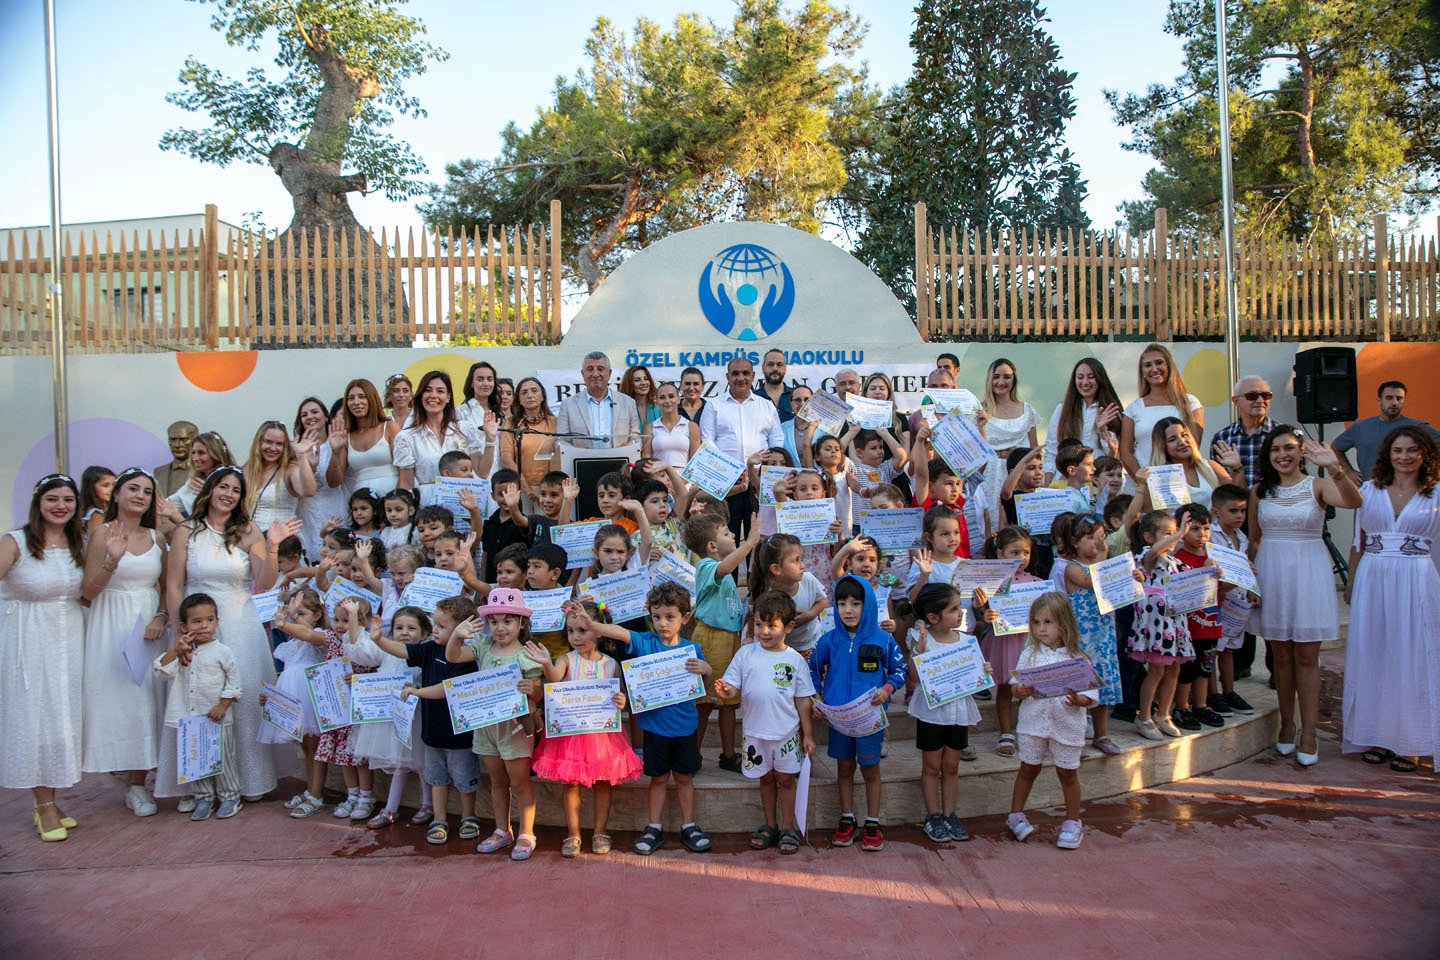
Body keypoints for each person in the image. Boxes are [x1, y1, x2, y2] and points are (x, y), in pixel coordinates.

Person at [163, 467, 301, 804]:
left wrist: (271, 546)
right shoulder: (186, 531)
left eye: (236, 490)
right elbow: (173, 584)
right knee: (198, 701)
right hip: (197, 623)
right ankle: (197, 783)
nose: (228, 494)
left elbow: (265, 583)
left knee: (241, 700)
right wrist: (179, 631)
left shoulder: (250, 531)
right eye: (222, 487)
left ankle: (249, 780)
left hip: (240, 625)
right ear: (209, 490)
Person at [571, 583, 714, 855]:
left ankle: (689, 826)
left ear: (684, 618)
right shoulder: (645, 642)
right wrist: (594, 625)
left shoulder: (692, 649)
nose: (662, 623)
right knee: (658, 779)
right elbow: (621, 633)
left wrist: (706, 670)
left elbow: (705, 686)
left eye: (669, 617)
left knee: (684, 778)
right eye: (656, 617)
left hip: (685, 727)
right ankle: (654, 827)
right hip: (655, 729)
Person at [1248, 425, 1361, 766]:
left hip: (1309, 571)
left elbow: (1356, 500)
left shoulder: (1320, 485)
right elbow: (1254, 540)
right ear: (1268, 456)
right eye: (1275, 450)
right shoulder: (1259, 491)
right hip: (1272, 573)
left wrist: (1336, 466)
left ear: (1301, 452)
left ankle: (1309, 732)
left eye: (1288, 448)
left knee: (1307, 657)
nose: (1282, 455)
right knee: (1280, 656)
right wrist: (1250, 581)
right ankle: (1286, 724)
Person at [1345, 426, 1440, 774]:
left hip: (1417, 579)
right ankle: (1378, 735)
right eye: (1398, 450)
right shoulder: (1369, 490)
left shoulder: (1437, 493)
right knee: (1375, 654)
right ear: (1388, 454)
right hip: (1373, 577)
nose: (1404, 457)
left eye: (1412, 450)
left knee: (1412, 657)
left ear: (1424, 454)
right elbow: (1358, 541)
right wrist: (1352, 582)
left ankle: (1412, 742)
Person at [427, 588, 546, 860]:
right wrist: (456, 635)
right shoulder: (482, 646)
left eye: (507, 621)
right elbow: (453, 656)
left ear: (521, 623)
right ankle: (502, 830)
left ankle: (527, 833)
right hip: (486, 726)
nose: (500, 628)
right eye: (494, 622)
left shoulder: (528, 653)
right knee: (496, 781)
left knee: (520, 783)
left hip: (514, 727)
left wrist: (532, 689)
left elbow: (539, 694)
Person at [0, 474, 86, 841]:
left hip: (68, 635)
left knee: (62, 718)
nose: (60, 506)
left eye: (67, 500)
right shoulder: (15, 541)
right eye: (52, 499)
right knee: (34, 717)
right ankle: (43, 805)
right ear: (38, 503)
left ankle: (51, 797)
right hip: (26, 638)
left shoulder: (76, 542)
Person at [525, 599, 643, 857]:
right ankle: (574, 834)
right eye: (570, 631)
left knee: (603, 784)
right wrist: (546, 663)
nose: (575, 637)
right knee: (571, 785)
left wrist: (621, 701)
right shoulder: (566, 659)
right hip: (571, 734)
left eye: (582, 631)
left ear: (598, 631)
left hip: (602, 736)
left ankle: (600, 831)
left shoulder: (610, 664)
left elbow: (618, 695)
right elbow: (555, 678)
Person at [80, 467, 166, 817]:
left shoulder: (158, 538)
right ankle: (120, 769)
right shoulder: (102, 533)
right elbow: (87, 591)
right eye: (133, 489)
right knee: (119, 701)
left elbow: (159, 584)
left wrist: (161, 615)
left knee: (148, 701)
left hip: (147, 626)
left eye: (146, 491)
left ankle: (138, 782)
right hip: (111, 621)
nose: (139, 496)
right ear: (116, 494)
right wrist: (112, 561)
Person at [714, 590, 816, 855]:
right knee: (766, 779)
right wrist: (727, 691)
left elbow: (804, 700)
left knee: (785, 779)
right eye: (759, 624)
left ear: (789, 627)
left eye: (772, 625)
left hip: (786, 734)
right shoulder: (745, 654)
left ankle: (787, 827)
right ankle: (770, 825)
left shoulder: (795, 660)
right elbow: (733, 685)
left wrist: (808, 735)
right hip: (755, 734)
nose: (764, 631)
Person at [810, 575, 906, 851]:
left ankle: (872, 822)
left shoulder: (883, 640)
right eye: (841, 603)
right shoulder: (828, 641)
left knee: (870, 769)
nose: (848, 610)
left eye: (855, 603)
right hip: (839, 720)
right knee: (844, 769)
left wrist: (887, 688)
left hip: (871, 721)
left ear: (869, 605)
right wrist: (816, 697)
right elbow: (812, 669)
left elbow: (900, 671)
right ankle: (847, 819)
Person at [1006, 593, 1096, 849]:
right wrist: (1019, 691)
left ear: (1064, 624)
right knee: (1028, 768)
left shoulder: (1079, 658)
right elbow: (1015, 686)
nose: (1041, 629)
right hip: (1033, 723)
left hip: (1066, 724)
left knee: (1067, 772)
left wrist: (1080, 701)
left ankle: (1072, 821)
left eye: (1048, 622)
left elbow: (1091, 695)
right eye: (1036, 622)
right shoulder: (1029, 654)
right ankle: (1015, 814)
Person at [154, 593, 244, 821]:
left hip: (217, 716)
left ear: (217, 621)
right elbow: (162, 671)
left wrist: (223, 705)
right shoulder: (182, 652)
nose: (204, 626)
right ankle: (203, 797)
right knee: (196, 759)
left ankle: (230, 796)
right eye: (197, 621)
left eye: (209, 620)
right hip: (190, 717)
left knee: (223, 758)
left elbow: (235, 681)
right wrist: (175, 650)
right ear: (184, 626)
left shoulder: (222, 651)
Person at [908, 583, 985, 843]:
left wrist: (983, 673)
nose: (961, 612)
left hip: (958, 712)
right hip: (932, 714)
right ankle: (934, 815)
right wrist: (918, 650)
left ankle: (951, 814)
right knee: (932, 766)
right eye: (953, 609)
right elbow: (915, 678)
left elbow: (975, 676)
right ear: (933, 617)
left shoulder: (966, 641)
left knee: (951, 766)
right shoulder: (922, 640)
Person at [686, 512, 762, 772]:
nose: (732, 535)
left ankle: (729, 754)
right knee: (706, 701)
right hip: (711, 638)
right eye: (727, 532)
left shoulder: (724, 569)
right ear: (711, 546)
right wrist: (749, 542)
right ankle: (691, 754)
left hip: (728, 638)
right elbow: (725, 567)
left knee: (729, 700)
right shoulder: (706, 565)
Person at [699, 356, 784, 538]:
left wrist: (767, 469)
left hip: (759, 483)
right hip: (726, 483)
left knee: (759, 535)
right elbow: (707, 441)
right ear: (727, 377)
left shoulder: (766, 406)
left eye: (745, 373)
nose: (741, 378)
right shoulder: (714, 405)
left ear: (753, 376)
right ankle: (730, 569)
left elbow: (776, 440)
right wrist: (731, 470)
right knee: (728, 536)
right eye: (735, 373)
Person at [394, 370, 495, 503]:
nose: (433, 396)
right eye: (428, 390)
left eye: (440, 391)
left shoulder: (464, 428)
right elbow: (407, 485)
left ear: (448, 397)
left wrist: (490, 439)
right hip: (428, 508)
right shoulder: (407, 437)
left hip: (462, 503)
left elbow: (482, 472)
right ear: (420, 396)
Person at [1119, 343, 1204, 491]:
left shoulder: (1190, 403)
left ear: (1169, 366)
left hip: (1179, 485)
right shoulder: (1133, 408)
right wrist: (1142, 481)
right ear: (1142, 372)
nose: (1154, 369)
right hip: (1141, 486)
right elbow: (1125, 452)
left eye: (1159, 363)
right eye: (1147, 365)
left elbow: (1193, 446)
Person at [1334, 381, 1440, 484]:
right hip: (1371, 489)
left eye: (1399, 398)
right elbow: (1336, 448)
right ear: (1379, 400)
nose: (1394, 402)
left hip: (1407, 491)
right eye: (1389, 398)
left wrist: (1430, 473)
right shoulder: (1360, 427)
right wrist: (1348, 471)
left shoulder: (1415, 427)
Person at [551, 352, 642, 464]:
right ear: (582, 374)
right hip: (582, 465)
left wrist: (627, 448)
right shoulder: (568, 405)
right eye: (590, 369)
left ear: (609, 373)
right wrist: (574, 451)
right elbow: (560, 441)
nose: (595, 374)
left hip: (620, 466)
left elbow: (636, 438)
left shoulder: (628, 403)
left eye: (600, 369)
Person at [1043, 358, 1122, 481]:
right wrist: (1047, 487)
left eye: (1091, 377)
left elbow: (1114, 456)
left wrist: (1102, 429)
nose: (1085, 382)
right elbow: (1052, 452)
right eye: (1080, 377)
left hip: (1098, 482)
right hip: (1066, 483)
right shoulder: (1062, 409)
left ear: (1100, 379)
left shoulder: (1111, 410)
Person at [325, 378, 398, 497]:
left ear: (372, 399)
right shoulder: (346, 435)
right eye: (351, 398)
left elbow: (405, 469)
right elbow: (333, 482)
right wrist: (335, 452)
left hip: (391, 500)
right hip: (362, 506)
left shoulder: (390, 427)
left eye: (362, 396)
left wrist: (398, 500)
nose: (356, 402)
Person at [243, 420, 319, 533]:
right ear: (258, 443)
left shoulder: (290, 470)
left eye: (279, 444)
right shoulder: (246, 470)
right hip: (250, 541)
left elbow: (309, 491)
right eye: (268, 442)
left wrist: (301, 456)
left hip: (283, 543)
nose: (273, 448)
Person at [1140, 417, 1230, 509]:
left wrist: (1236, 468)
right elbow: (1154, 517)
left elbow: (1236, 501)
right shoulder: (1157, 477)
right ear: (1162, 446)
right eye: (1172, 440)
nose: (1182, 442)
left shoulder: (1211, 466)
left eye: (1184, 435)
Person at [500, 376, 558, 511]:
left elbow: (560, 456)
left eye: (534, 391)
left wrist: (545, 490)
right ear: (518, 400)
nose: (530, 395)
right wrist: (528, 489)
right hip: (520, 487)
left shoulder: (555, 422)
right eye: (524, 392)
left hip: (549, 490)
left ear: (542, 396)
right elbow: (506, 460)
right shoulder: (511, 423)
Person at [1207, 375, 1276, 488]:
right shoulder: (1222, 438)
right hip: (1237, 503)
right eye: (1252, 396)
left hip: (1274, 503)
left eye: (1265, 395)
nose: (1260, 400)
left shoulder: (1283, 435)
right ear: (1236, 401)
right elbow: (1218, 482)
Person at [982, 358, 1040, 457]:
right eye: (996, 377)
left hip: (1020, 470)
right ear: (989, 379)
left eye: (1006, 377)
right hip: (987, 471)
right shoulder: (978, 410)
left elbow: (1034, 450)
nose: (1001, 382)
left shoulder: (1027, 411)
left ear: (1014, 380)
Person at [643, 381, 701, 469]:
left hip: (684, 479)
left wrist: (684, 482)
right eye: (662, 397)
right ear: (657, 402)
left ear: (678, 399)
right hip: (658, 478)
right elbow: (646, 458)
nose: (667, 401)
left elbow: (695, 461)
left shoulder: (692, 426)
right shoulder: (650, 427)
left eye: (671, 396)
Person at [155, 420, 200, 496]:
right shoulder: (159, 472)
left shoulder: (203, 472)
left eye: (183, 440)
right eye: (173, 440)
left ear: (195, 441)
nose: (177, 445)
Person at [757, 348, 795, 421]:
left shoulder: (796, 397)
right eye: (770, 364)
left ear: (785, 368)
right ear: (763, 368)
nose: (775, 368)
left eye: (779, 365)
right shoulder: (753, 398)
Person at [79, 466, 116, 536]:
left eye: (114, 485)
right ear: (91, 488)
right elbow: (97, 542)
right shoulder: (95, 515)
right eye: (105, 485)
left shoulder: (106, 510)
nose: (112, 489)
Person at [382, 373, 414, 441]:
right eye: (396, 391)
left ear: (411, 395)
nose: (401, 395)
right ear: (389, 396)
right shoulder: (384, 422)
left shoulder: (419, 418)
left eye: (405, 391)